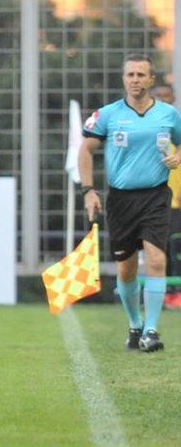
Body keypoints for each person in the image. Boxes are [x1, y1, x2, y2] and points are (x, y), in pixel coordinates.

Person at [79, 55, 181, 352]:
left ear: (151, 80)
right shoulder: (108, 115)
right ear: (123, 79)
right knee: (126, 270)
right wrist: (89, 190)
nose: (135, 79)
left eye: (141, 75)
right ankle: (135, 324)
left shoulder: (168, 114)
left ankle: (151, 330)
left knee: (157, 260)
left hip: (156, 196)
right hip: (121, 199)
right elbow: (85, 150)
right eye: (130, 74)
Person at [151, 83, 181, 309]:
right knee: (159, 249)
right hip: (155, 201)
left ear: (174, 99)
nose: (163, 99)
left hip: (177, 201)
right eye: (159, 96)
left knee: (177, 246)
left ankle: (176, 292)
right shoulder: (149, 129)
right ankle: (165, 292)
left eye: (167, 96)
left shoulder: (177, 128)